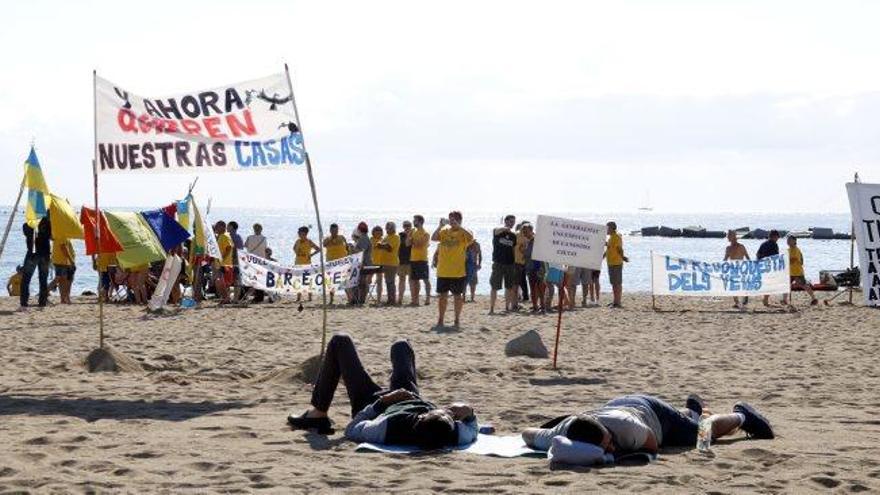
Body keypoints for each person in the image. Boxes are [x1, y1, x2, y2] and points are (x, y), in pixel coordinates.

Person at [287, 333, 479, 449]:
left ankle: (318, 414)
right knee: (401, 346)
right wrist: (468, 412)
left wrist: (383, 402)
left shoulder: (387, 427)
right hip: (410, 397)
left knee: (340, 341)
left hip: (374, 406)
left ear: (420, 418)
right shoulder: (455, 434)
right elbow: (472, 426)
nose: (447, 411)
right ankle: (400, 352)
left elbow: (352, 429)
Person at [522, 394, 774, 457]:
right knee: (690, 423)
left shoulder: (627, 429)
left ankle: (742, 416)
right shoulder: (565, 430)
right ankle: (692, 410)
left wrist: (616, 453)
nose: (610, 449)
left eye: (609, 443)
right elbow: (527, 434)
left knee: (700, 437)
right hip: (620, 403)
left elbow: (652, 446)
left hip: (653, 414)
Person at [432, 211, 473, 328]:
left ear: (459, 220)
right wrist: (440, 226)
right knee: (442, 297)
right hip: (443, 271)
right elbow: (434, 238)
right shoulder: (445, 231)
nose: (451, 222)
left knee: (457, 296)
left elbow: (471, 237)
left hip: (457, 272)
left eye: (454, 219)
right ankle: (440, 320)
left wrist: (459, 226)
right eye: (450, 219)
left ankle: (456, 319)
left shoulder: (464, 232)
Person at [20, 217, 51, 309]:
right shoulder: (49, 225)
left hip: (32, 254)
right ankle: (42, 302)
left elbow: (27, 234)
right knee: (43, 279)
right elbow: (52, 236)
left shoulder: (26, 225)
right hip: (45, 254)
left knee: (26, 279)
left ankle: (24, 303)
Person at [489, 214, 518, 314]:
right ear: (505, 221)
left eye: (513, 222)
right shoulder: (497, 232)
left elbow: (513, 249)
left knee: (509, 286)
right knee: (494, 286)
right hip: (498, 263)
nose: (512, 224)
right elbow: (497, 230)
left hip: (510, 263)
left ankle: (507, 307)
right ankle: (492, 308)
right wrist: (506, 228)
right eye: (510, 221)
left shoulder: (513, 236)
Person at [784, 236, 818, 306]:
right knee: (786, 285)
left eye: (790, 240)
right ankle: (784, 300)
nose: (788, 241)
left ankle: (814, 299)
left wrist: (786, 261)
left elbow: (794, 260)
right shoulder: (788, 250)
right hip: (790, 271)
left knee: (803, 285)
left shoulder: (796, 250)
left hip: (797, 272)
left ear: (794, 241)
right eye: (787, 240)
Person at [408, 215, 431, 306]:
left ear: (420, 222)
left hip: (422, 259)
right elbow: (407, 243)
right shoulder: (413, 232)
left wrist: (411, 239)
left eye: (415, 220)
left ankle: (428, 298)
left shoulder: (425, 233)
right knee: (415, 280)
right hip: (413, 259)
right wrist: (410, 237)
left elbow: (419, 244)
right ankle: (415, 300)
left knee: (425, 279)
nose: (414, 222)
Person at [522, 224, 546, 313]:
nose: (524, 233)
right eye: (523, 231)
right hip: (530, 267)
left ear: (531, 231)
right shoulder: (527, 241)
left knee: (540, 288)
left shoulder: (537, 240)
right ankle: (535, 306)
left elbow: (539, 253)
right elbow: (526, 255)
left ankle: (542, 306)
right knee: (532, 288)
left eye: (526, 231)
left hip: (538, 267)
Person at [724, 230, 751, 309]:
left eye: (729, 235)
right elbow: (725, 259)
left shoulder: (741, 246)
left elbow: (747, 257)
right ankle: (737, 302)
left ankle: (744, 298)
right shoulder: (728, 248)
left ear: (734, 236)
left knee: (742, 285)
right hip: (732, 269)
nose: (727, 237)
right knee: (732, 286)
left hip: (741, 269)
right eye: (727, 235)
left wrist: (752, 265)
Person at [323, 223, 349, 304]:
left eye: (336, 230)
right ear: (330, 230)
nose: (335, 232)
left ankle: (349, 298)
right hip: (331, 264)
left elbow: (347, 247)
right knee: (331, 282)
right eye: (333, 230)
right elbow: (324, 245)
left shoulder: (342, 238)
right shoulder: (327, 239)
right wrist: (331, 240)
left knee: (345, 281)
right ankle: (331, 299)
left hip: (342, 263)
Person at [605, 221, 628, 308]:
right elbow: (609, 248)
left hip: (616, 263)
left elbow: (619, 249)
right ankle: (615, 301)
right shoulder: (611, 238)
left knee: (617, 283)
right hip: (611, 263)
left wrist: (623, 257)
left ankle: (618, 302)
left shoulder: (617, 237)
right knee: (613, 283)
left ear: (611, 228)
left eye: (607, 228)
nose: (606, 230)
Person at [294, 226, 320, 302]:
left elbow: (318, 249)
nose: (298, 233)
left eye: (300, 232)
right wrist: (298, 253)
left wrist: (311, 255)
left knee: (308, 280)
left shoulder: (309, 241)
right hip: (298, 262)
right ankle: (298, 297)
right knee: (298, 279)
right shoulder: (297, 241)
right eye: (298, 232)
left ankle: (310, 297)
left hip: (307, 263)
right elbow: (294, 248)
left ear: (305, 233)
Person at [757, 230, 781, 307]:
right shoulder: (774, 244)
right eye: (777, 237)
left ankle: (765, 299)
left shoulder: (763, 244)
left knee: (767, 283)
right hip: (770, 267)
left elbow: (758, 254)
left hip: (763, 266)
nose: (777, 239)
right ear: (774, 236)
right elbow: (776, 257)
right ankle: (765, 299)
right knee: (770, 284)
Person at [351, 223, 373, 305]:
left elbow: (361, 252)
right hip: (362, 263)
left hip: (364, 263)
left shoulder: (364, 238)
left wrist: (353, 248)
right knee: (360, 281)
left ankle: (361, 299)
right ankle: (358, 299)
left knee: (362, 282)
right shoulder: (363, 238)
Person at [214, 221, 234, 304]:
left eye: (217, 227)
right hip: (221, 263)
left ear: (222, 227)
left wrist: (222, 258)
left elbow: (229, 247)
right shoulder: (222, 236)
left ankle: (226, 298)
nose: (215, 229)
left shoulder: (224, 236)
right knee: (221, 282)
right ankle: (225, 298)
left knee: (221, 282)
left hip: (224, 264)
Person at [51, 237, 76, 304]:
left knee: (62, 281)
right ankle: (66, 298)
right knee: (67, 280)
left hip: (61, 260)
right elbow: (63, 248)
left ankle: (63, 298)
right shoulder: (62, 236)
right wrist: (71, 261)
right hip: (64, 261)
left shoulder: (60, 235)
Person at [396, 221, 413, 306]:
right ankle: (400, 298)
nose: (407, 228)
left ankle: (413, 298)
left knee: (411, 280)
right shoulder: (400, 235)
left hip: (411, 261)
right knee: (401, 280)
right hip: (401, 261)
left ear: (411, 226)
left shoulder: (414, 235)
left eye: (408, 226)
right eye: (405, 226)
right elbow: (397, 248)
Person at [370, 225, 387, 304]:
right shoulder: (371, 239)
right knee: (368, 280)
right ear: (373, 233)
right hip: (372, 263)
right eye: (376, 232)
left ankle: (379, 299)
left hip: (381, 263)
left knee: (379, 282)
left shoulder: (383, 240)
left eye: (380, 232)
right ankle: (363, 297)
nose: (378, 234)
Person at [515, 223, 529, 304]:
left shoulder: (523, 237)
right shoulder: (518, 236)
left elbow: (524, 249)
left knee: (521, 280)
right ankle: (523, 296)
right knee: (522, 280)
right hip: (520, 261)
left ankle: (524, 296)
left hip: (521, 261)